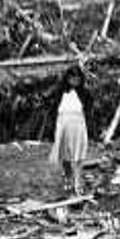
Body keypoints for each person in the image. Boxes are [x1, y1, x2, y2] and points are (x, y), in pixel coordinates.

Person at [50, 64, 90, 199]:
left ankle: (78, 182)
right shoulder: (60, 92)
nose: (75, 81)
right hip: (63, 125)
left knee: (78, 154)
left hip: (78, 126)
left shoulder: (84, 93)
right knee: (65, 154)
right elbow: (53, 109)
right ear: (67, 78)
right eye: (72, 78)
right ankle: (68, 177)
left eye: (77, 78)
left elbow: (89, 110)